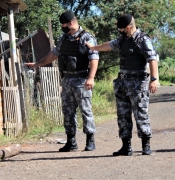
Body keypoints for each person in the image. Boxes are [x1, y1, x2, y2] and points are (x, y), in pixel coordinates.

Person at [25, 10, 99, 152]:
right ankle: (71, 142)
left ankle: (90, 140)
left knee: (86, 111)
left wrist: (90, 78)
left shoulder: (86, 38)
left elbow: (94, 58)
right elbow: (53, 55)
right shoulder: (64, 39)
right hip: (67, 80)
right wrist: (37, 64)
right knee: (68, 111)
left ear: (71, 23)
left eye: (64, 24)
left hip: (82, 80)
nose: (62, 27)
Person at [86, 14, 158, 156]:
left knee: (141, 113)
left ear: (128, 27)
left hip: (138, 82)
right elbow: (109, 45)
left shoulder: (143, 39)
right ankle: (126, 146)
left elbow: (152, 58)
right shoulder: (122, 39)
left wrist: (154, 79)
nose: (119, 32)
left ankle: (145, 145)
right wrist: (94, 48)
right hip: (122, 82)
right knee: (122, 115)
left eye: (121, 29)